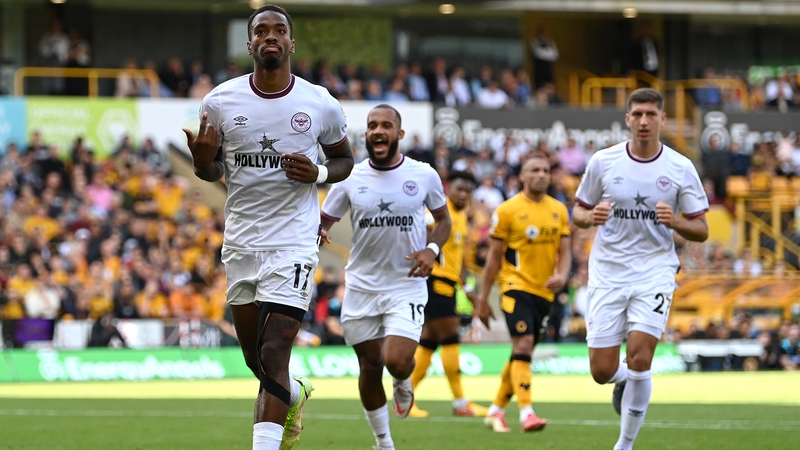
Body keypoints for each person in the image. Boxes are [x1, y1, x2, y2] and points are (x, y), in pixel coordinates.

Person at [181, 5, 354, 450]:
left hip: (293, 240)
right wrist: (203, 162)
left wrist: (316, 174)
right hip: (241, 241)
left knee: (276, 349)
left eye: (280, 30)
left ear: (292, 43)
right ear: (250, 43)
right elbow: (210, 170)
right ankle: (295, 393)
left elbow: (344, 161)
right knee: (257, 360)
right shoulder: (219, 102)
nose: (271, 36)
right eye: (262, 31)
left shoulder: (319, 103)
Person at [571, 88, 709, 450]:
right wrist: (590, 217)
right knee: (601, 370)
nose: (644, 121)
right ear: (628, 119)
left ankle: (625, 444)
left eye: (651, 114)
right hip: (608, 272)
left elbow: (702, 228)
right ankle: (623, 380)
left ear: (662, 119)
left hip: (654, 271)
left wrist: (677, 222)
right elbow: (578, 212)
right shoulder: (603, 162)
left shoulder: (680, 167)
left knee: (640, 356)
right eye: (638, 114)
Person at [320, 104, 451, 450]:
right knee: (369, 364)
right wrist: (319, 230)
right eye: (372, 125)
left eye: (386, 125)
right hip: (362, 287)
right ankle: (383, 441)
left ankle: (404, 378)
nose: (378, 131)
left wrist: (432, 250)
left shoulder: (424, 174)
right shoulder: (350, 177)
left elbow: (444, 221)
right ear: (367, 133)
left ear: (399, 134)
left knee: (394, 360)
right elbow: (324, 219)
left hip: (405, 284)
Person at [474, 155, 572, 433]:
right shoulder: (507, 210)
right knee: (525, 345)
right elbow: (493, 259)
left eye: (545, 170)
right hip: (515, 288)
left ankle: (495, 410)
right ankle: (527, 412)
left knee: (522, 351)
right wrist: (482, 299)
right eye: (534, 170)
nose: (541, 175)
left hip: (545, 293)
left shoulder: (560, 210)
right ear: (522, 177)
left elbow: (564, 252)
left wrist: (563, 275)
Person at [408, 170, 488, 418]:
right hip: (436, 282)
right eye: (459, 189)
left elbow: (459, 261)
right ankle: (460, 402)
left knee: (429, 343)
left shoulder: (461, 218)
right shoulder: (436, 216)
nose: (463, 194)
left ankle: (405, 398)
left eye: (468, 190)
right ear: (447, 189)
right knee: (451, 339)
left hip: (450, 284)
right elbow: (418, 236)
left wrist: (468, 290)